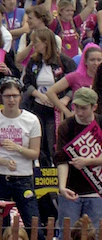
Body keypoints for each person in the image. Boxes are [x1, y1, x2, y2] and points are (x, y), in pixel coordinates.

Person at [0, 77, 42, 237]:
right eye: (7, 96)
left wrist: (17, 148)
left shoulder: (31, 120)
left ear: (20, 96)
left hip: (23, 177)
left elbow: (35, 153)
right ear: (1, 96)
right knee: (1, 226)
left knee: (33, 224)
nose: (11, 100)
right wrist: (5, 162)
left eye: (15, 95)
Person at [21, 28, 75, 165]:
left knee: (54, 142)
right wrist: (38, 94)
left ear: (46, 43)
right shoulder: (34, 61)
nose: (33, 45)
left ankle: (57, 169)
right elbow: (26, 83)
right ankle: (43, 170)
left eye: (36, 42)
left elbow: (75, 83)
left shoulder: (64, 61)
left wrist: (65, 99)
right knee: (40, 141)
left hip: (56, 110)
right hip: (38, 107)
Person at [55, 88, 102, 233]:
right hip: (71, 190)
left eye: (84, 108)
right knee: (66, 233)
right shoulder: (66, 126)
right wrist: (62, 187)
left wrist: (88, 161)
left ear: (94, 107)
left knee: (94, 234)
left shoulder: (100, 123)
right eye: (77, 107)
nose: (79, 112)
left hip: (96, 190)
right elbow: (61, 160)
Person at [47, 44, 102, 119]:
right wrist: (66, 112)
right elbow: (50, 92)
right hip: (79, 119)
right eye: (92, 60)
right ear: (85, 61)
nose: (96, 63)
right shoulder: (75, 76)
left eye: (99, 60)